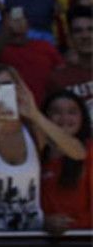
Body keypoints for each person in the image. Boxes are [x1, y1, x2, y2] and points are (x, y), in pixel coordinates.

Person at [0, 65, 85, 231]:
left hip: (30, 233)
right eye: (1, 87)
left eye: (14, 86)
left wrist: (35, 114)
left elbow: (78, 153)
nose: (9, 92)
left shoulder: (32, 129)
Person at [38, 91, 91, 233]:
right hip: (41, 239)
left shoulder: (90, 152)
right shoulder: (35, 152)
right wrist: (43, 221)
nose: (64, 118)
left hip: (84, 239)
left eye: (72, 112)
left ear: (82, 117)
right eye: (56, 112)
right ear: (45, 117)